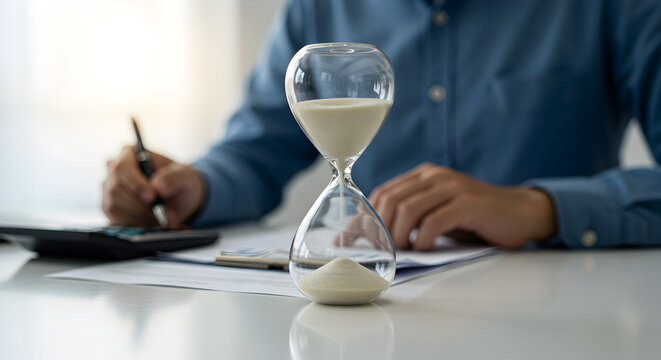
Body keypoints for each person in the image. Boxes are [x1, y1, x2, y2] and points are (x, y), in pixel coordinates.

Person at [103, 0, 661, 250]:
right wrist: (192, 187)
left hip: (565, 308)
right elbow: (256, 151)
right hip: (382, 310)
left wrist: (542, 208)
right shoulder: (319, 8)